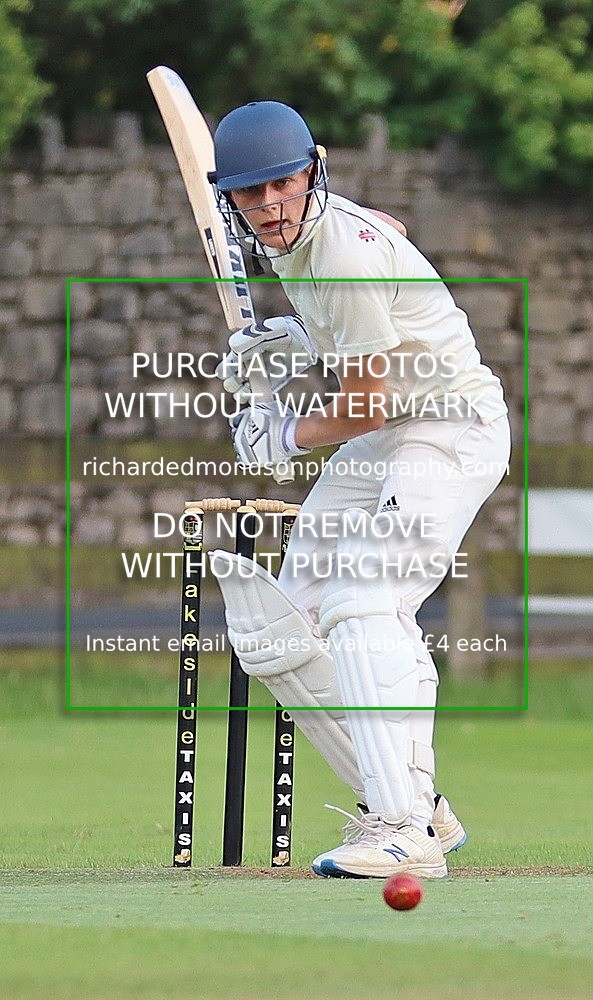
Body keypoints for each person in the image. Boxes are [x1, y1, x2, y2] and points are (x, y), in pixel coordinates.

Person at [207, 101, 511, 878]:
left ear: (311, 172)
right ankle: (421, 809)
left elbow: (366, 399)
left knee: (364, 597)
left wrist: (284, 435)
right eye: (252, 193)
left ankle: (400, 827)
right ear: (230, 199)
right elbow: (390, 233)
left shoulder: (331, 244)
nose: (271, 206)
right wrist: (301, 336)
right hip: (390, 431)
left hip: (447, 425)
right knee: (275, 629)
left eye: (284, 183)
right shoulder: (304, 231)